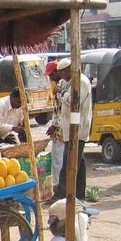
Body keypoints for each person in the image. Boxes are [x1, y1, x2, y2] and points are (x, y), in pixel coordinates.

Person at [52, 57, 92, 201]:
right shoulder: (69, 82)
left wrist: (62, 93)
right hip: (70, 128)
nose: (62, 77)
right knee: (78, 162)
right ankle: (79, 194)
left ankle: (62, 193)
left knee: (69, 161)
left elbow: (75, 101)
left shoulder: (80, 81)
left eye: (63, 73)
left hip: (77, 128)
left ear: (69, 70)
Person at [45, 61, 67, 187]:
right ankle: (58, 183)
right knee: (56, 157)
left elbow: (62, 108)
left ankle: (59, 184)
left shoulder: (62, 86)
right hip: (58, 128)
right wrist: (53, 124)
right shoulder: (58, 85)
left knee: (59, 157)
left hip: (62, 128)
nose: (50, 77)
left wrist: (55, 124)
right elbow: (56, 109)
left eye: (51, 74)